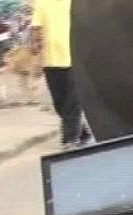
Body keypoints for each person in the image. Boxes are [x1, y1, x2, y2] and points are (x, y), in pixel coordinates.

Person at [30, 0, 90, 149]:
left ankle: (70, 139)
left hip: (76, 60)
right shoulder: (42, 3)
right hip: (51, 61)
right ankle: (83, 132)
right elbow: (36, 28)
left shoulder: (77, 4)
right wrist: (35, 49)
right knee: (59, 103)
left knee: (72, 102)